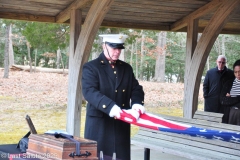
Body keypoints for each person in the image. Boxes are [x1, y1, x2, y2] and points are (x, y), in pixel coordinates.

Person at [82, 34, 145, 160]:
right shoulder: (91, 67)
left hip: (121, 124)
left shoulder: (126, 68)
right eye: (113, 48)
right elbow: (89, 91)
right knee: (99, 157)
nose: (117, 52)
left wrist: (137, 103)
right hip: (100, 124)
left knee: (121, 156)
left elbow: (136, 88)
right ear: (104, 46)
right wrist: (110, 107)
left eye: (119, 49)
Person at [220, 59, 240, 125]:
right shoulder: (229, 83)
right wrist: (238, 98)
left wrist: (231, 99)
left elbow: (228, 101)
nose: (238, 74)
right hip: (230, 113)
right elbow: (222, 100)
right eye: (235, 72)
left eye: (239, 71)